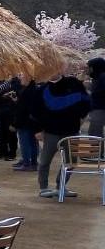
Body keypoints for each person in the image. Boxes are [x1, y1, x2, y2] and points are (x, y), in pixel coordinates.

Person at [37, 70, 92, 198]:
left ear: (60, 69)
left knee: (70, 162)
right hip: (50, 131)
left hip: (71, 130)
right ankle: (43, 188)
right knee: (45, 160)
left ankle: (61, 186)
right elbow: (36, 111)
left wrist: (82, 116)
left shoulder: (73, 83)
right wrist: (38, 129)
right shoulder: (42, 88)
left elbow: (86, 100)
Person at [13, 76, 42, 172]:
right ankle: (33, 162)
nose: (21, 78)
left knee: (25, 142)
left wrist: (16, 123)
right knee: (33, 142)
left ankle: (27, 163)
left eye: (22, 76)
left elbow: (22, 109)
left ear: (29, 79)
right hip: (33, 121)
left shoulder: (27, 91)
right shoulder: (35, 89)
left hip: (24, 121)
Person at [89, 58, 105, 138]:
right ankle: (97, 150)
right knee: (93, 132)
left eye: (91, 67)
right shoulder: (97, 77)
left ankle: (97, 150)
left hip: (100, 108)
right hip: (97, 108)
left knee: (95, 133)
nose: (90, 69)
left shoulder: (102, 76)